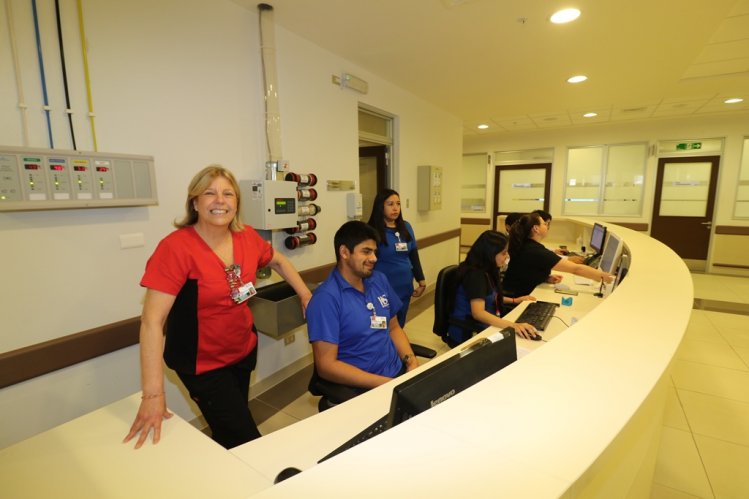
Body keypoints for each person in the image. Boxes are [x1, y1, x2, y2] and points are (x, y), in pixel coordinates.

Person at [123, 165, 312, 450]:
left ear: (236, 202)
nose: (220, 200)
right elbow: (151, 322)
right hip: (203, 366)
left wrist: (305, 295)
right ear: (195, 202)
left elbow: (278, 261)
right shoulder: (176, 249)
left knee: (229, 431)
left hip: (242, 351)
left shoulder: (246, 237)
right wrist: (152, 395)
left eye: (228, 194)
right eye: (209, 193)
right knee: (247, 441)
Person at [306, 221, 419, 393]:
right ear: (344, 252)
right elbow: (326, 366)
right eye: (366, 251)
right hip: (364, 387)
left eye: (375, 251)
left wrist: (411, 361)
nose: (374, 258)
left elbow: (393, 328)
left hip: (397, 375)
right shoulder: (326, 299)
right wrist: (386, 384)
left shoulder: (379, 280)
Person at [446, 230, 538, 345]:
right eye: (503, 253)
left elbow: (489, 296)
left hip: (482, 325)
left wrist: (515, 300)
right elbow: (478, 313)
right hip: (469, 331)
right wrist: (514, 326)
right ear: (490, 253)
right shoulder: (475, 275)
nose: (507, 256)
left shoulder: (487, 268)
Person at [503, 212, 615, 298]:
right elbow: (576, 269)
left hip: (517, 291)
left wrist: (544, 278)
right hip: (517, 298)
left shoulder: (527, 245)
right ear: (536, 229)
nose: (547, 226)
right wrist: (606, 277)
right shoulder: (534, 250)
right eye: (544, 224)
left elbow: (526, 271)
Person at [367, 189, 426, 327]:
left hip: (404, 286)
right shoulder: (371, 230)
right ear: (380, 206)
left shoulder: (406, 227)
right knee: (382, 327)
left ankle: (396, 348)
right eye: (390, 204)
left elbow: (413, 254)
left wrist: (421, 280)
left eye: (398, 204)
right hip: (382, 289)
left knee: (399, 325)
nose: (395, 208)